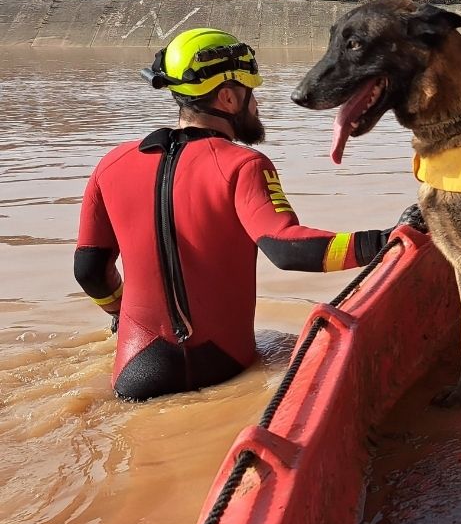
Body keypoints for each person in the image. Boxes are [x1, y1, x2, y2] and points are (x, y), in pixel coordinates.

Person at [74, 28, 393, 401]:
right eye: (251, 93)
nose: (256, 105)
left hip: (135, 372)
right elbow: (287, 249)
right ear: (228, 97)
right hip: (222, 368)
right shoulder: (243, 165)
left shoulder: (112, 163)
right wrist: (385, 240)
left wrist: (117, 310)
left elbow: (89, 270)